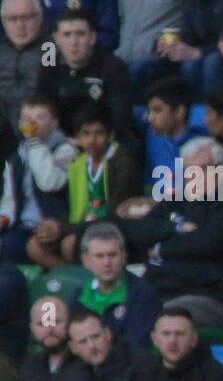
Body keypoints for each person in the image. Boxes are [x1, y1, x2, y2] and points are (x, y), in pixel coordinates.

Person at [128, 138, 223, 331]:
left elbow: (206, 244)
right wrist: (174, 229)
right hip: (161, 288)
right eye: (189, 171)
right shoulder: (179, 199)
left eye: (203, 169)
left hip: (208, 298)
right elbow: (138, 231)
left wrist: (161, 248)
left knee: (157, 317)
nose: (195, 177)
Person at [26, 101, 140, 270]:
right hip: (81, 225)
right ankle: (74, 281)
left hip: (113, 226)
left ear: (110, 135)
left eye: (99, 133)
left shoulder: (123, 163)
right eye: (86, 134)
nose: (92, 139)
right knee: (35, 246)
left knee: (70, 244)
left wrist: (63, 228)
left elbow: (116, 213)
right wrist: (54, 225)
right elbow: (73, 209)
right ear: (78, 138)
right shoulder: (77, 164)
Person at [38, 8, 136, 148]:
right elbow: (41, 110)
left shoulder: (113, 67)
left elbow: (119, 120)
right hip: (62, 143)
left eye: (80, 34)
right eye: (66, 35)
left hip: (103, 143)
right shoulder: (49, 66)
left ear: (92, 37)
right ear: (56, 39)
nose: (73, 42)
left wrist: (84, 143)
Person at [2, 93, 80, 264]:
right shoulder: (16, 159)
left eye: (39, 117)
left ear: (54, 123)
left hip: (56, 225)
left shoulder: (66, 150)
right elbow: (9, 201)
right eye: (26, 118)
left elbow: (49, 183)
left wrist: (35, 144)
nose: (31, 123)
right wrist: (4, 219)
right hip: (23, 226)